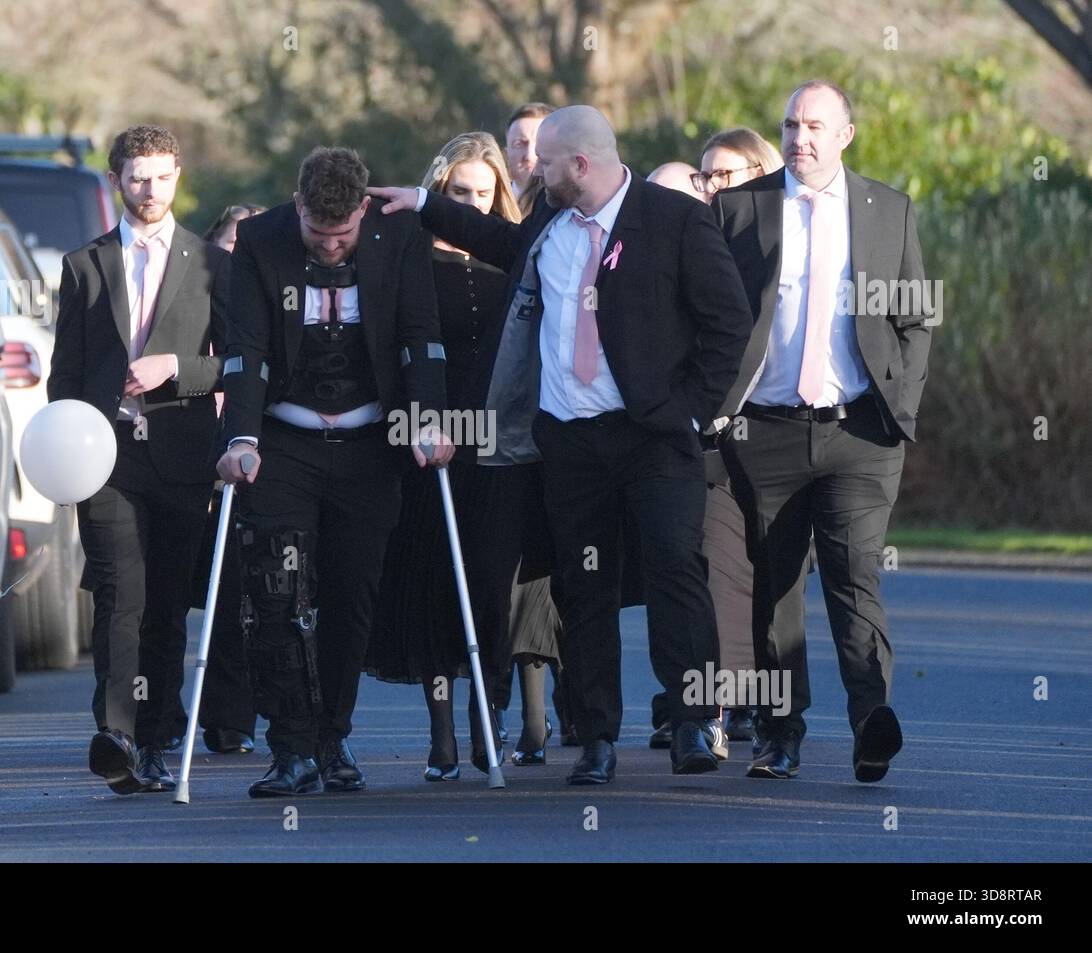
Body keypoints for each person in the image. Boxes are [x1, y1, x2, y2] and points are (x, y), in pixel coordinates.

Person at [370, 104, 754, 785]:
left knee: (673, 568)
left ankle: (695, 719)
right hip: (570, 443)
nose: (531, 170)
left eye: (544, 161)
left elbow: (729, 323)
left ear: (579, 164)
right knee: (585, 586)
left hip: (654, 438)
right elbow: (494, 241)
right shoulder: (549, 224)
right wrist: (426, 204)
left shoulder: (673, 221)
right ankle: (597, 735)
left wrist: (688, 410)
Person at [712, 82, 932, 782]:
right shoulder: (740, 207)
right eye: (789, 124)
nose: (799, 137)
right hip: (766, 431)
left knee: (854, 573)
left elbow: (915, 319)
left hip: (860, 431)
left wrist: (902, 403)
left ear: (846, 134)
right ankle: (781, 734)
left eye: (814, 125)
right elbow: (711, 313)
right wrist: (716, 409)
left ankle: (872, 719)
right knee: (775, 584)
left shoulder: (888, 210)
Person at [215, 146, 451, 798]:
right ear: (298, 209)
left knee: (352, 595)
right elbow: (247, 349)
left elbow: (421, 334)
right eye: (319, 236)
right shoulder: (260, 242)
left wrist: (428, 421)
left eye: (342, 236)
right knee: (276, 594)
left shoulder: (398, 233)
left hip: (369, 443)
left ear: (361, 214)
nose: (331, 248)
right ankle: (289, 745)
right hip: (284, 445)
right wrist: (240, 436)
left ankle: (333, 737)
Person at [366, 132, 562, 779]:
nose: (472, 205)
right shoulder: (409, 259)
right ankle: (441, 728)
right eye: (459, 193)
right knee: (430, 582)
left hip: (498, 446)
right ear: (439, 191)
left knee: (487, 583)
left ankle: (490, 708)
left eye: (484, 193)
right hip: (424, 440)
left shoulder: (519, 260)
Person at [48, 124, 230, 795]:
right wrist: (68, 444)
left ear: (178, 177)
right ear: (115, 179)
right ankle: (116, 734)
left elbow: (236, 364)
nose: (148, 190)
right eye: (136, 177)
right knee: (119, 594)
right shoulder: (83, 265)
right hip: (107, 457)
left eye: (160, 177)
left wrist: (175, 369)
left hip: (182, 455)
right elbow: (64, 374)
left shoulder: (213, 264)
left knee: (163, 605)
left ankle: (155, 737)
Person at [646, 132, 783, 750]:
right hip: (699, 438)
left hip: (767, 433)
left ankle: (753, 704)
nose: (713, 188)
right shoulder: (684, 237)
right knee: (704, 570)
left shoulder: (765, 241)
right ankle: (707, 708)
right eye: (706, 177)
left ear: (762, 172)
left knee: (761, 578)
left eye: (725, 176)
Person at [195, 201, 268, 757]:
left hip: (254, 451)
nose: (236, 263)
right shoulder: (191, 300)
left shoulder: (268, 304)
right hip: (191, 448)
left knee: (243, 588)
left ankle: (238, 715)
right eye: (227, 250)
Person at [505, 102, 553, 199]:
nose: (529, 156)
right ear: (506, 153)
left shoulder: (572, 210)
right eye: (519, 144)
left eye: (540, 143)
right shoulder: (489, 206)